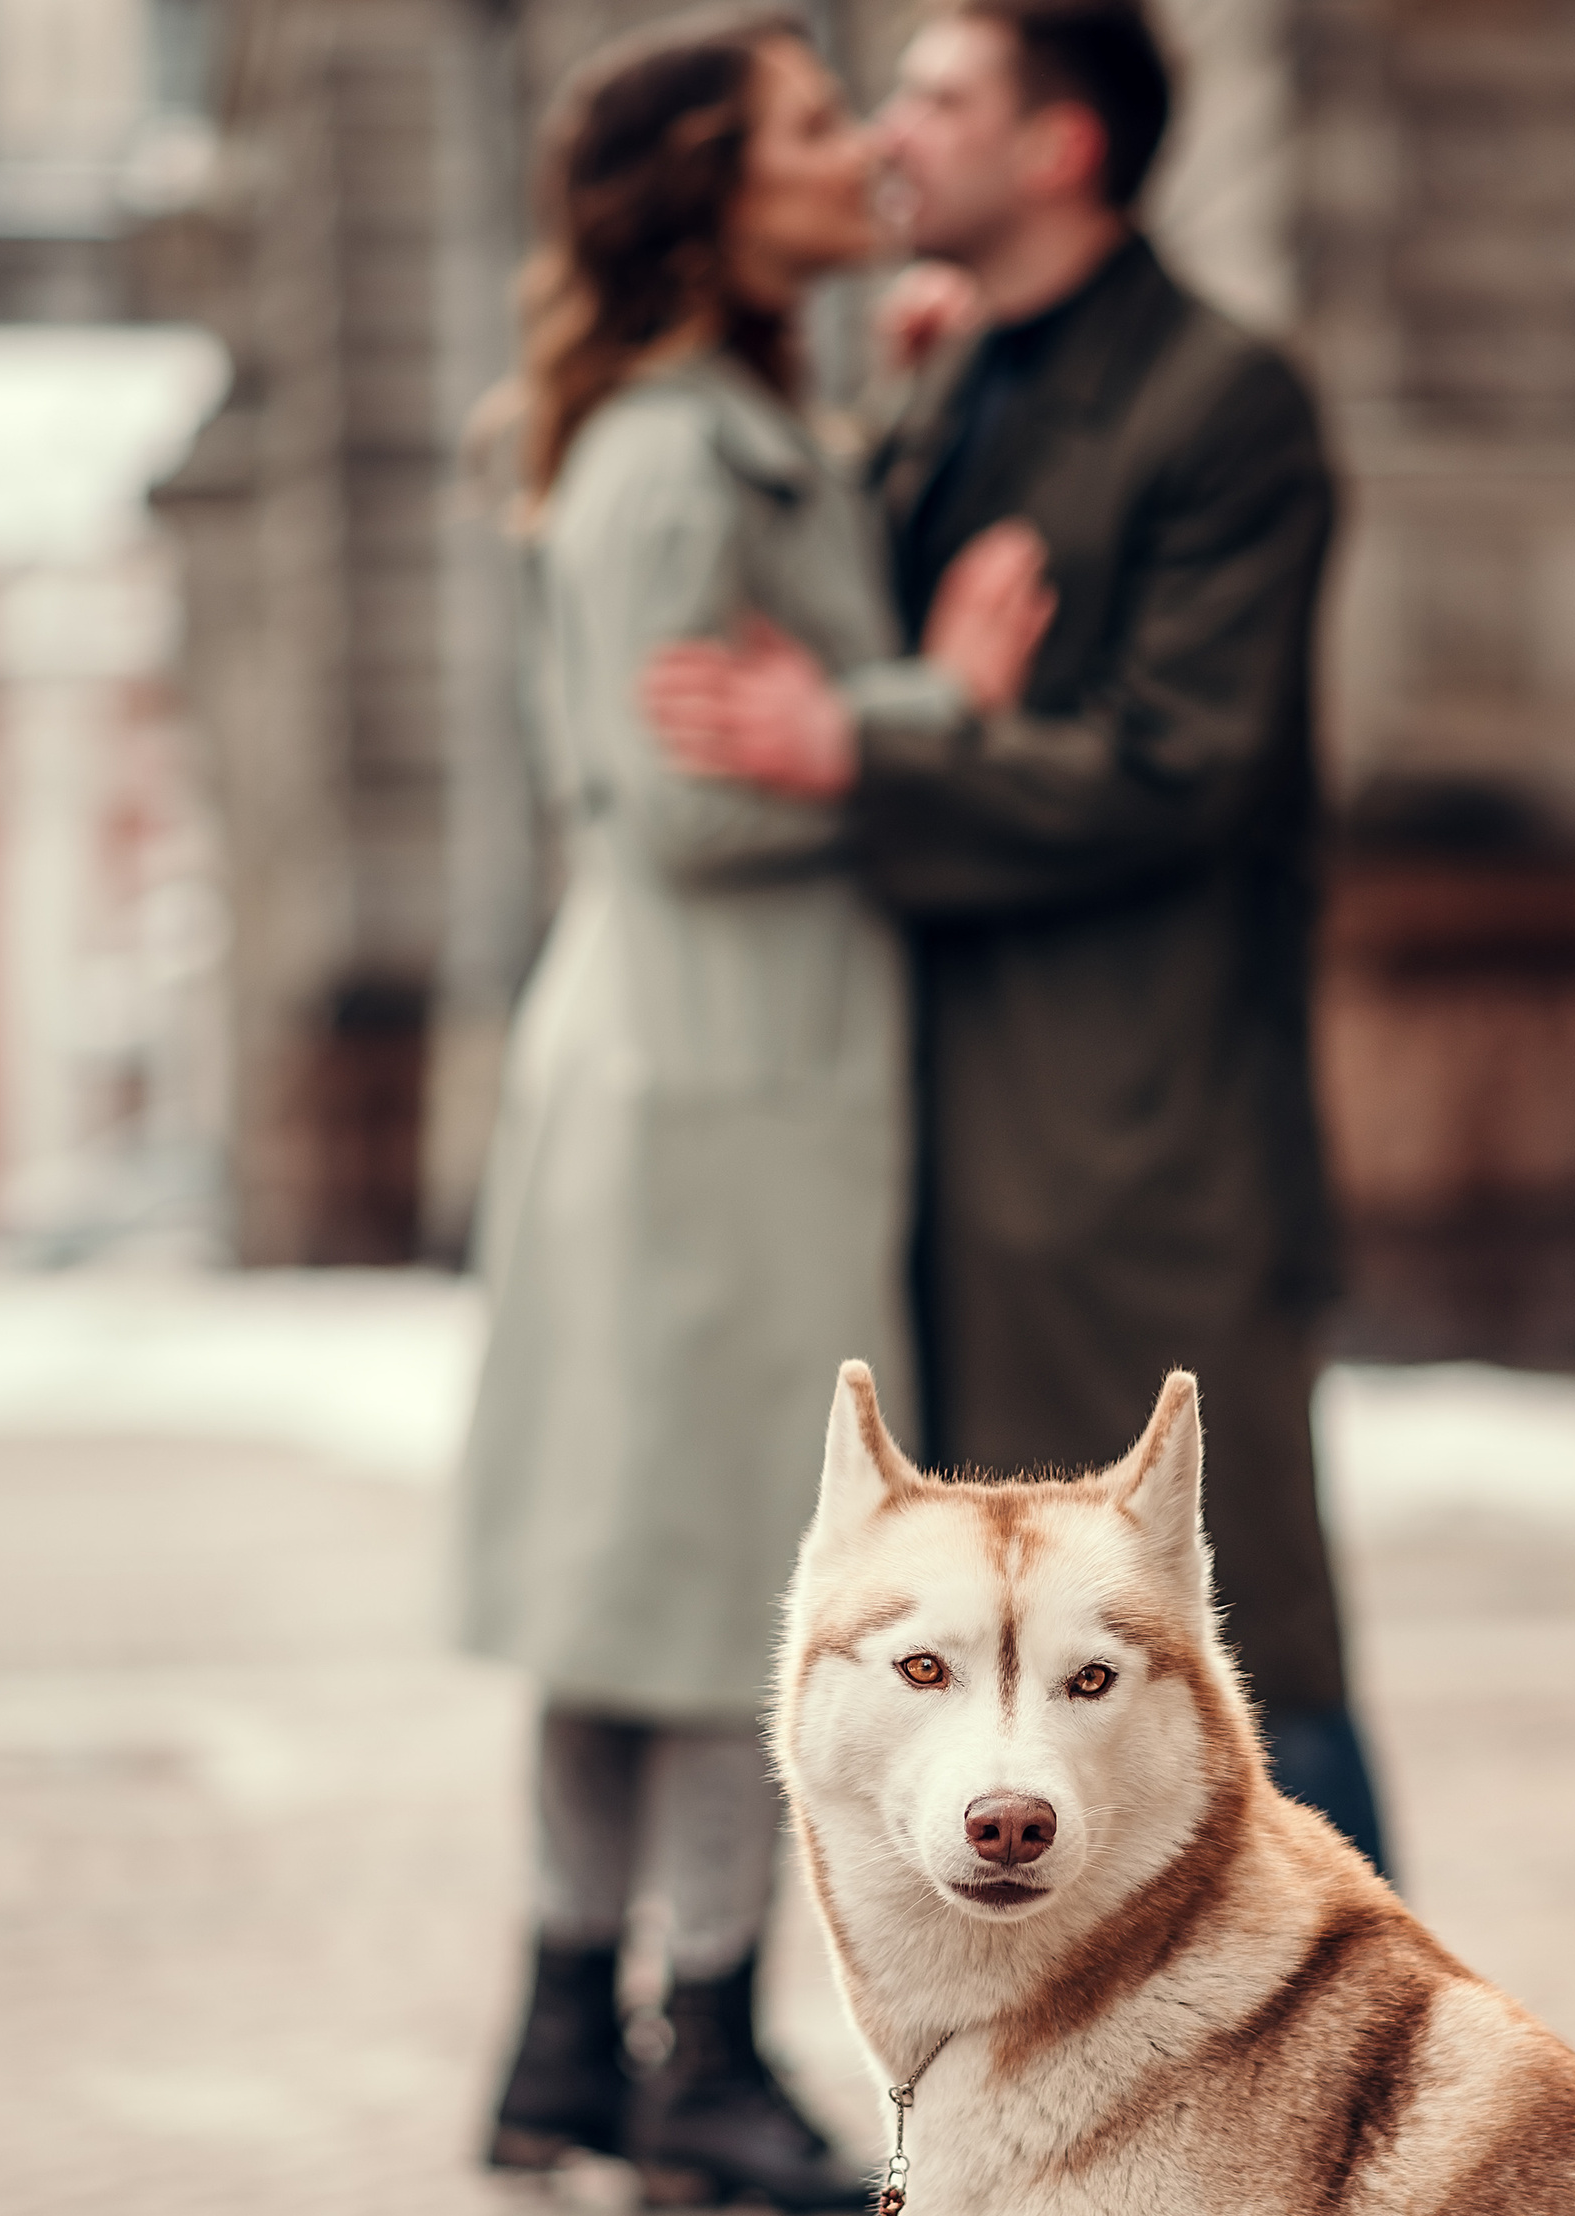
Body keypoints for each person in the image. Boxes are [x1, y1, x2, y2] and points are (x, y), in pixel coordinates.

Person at [647, 0, 1388, 1871]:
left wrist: (854, 757)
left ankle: (1365, 2085)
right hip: (930, 1119)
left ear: (1059, 147)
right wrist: (894, 433)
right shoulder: (942, 376)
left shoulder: (1222, 398)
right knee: (978, 1668)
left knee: (1228, 1650)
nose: (893, 130)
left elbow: (1180, 768)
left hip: (1130, 1138)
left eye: (939, 96)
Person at [460, 10, 1047, 2207]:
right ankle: (696, 2039)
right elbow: (680, 788)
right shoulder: (673, 458)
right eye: (815, 124)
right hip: (721, 1069)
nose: (863, 142)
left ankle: (560, 2036)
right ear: (709, 195)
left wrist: (883, 405)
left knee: (629, 1567)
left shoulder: (707, 431)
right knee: (721, 1572)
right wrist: (938, 705)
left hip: (705, 1064)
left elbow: (749, 628)